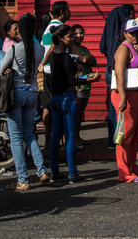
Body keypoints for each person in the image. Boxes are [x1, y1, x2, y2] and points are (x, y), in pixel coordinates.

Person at [41, 24, 99, 183]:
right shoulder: (67, 58)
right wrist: (90, 79)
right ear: (60, 39)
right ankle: (72, 173)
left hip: (55, 98)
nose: (72, 38)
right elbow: (72, 80)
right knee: (71, 135)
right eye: (69, 36)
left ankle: (54, 171)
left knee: (56, 135)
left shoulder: (53, 56)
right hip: (68, 97)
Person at [0, 14, 49, 191]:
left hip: (16, 95)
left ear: (20, 29)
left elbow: (1, 69)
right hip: (32, 94)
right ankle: (42, 172)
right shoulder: (40, 49)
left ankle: (23, 179)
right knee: (29, 134)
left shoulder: (14, 49)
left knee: (16, 138)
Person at [111, 18, 138, 183]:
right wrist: (122, 96)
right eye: (132, 33)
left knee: (135, 135)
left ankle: (132, 168)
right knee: (125, 134)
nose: (136, 36)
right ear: (125, 34)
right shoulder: (123, 49)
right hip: (127, 95)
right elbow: (119, 73)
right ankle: (124, 172)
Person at [100, 4, 134, 144]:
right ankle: (122, 139)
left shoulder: (109, 30)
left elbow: (102, 48)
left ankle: (113, 140)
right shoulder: (123, 37)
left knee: (113, 107)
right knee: (122, 105)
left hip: (109, 70)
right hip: (120, 73)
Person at [67, 24, 96, 148]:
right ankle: (72, 139)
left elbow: (93, 61)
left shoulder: (84, 49)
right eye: (76, 33)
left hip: (86, 84)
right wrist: (85, 60)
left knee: (80, 114)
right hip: (77, 85)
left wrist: (87, 59)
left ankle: (77, 136)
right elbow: (83, 61)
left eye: (81, 33)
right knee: (75, 114)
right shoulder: (70, 49)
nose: (79, 36)